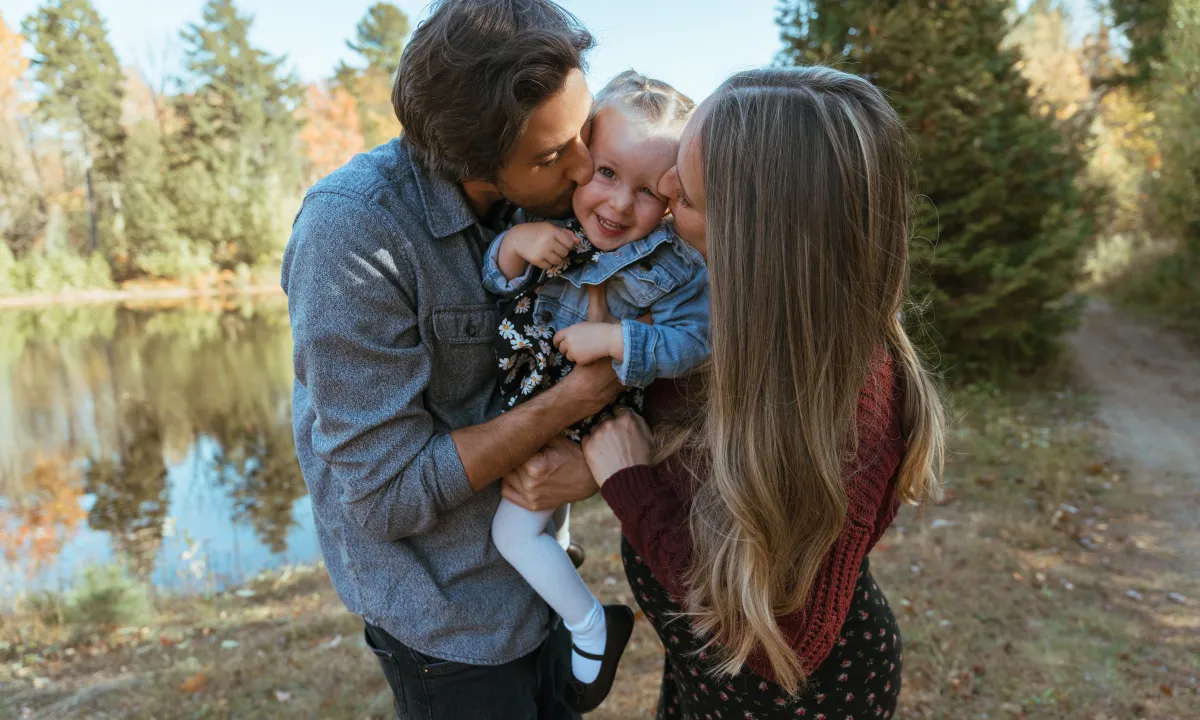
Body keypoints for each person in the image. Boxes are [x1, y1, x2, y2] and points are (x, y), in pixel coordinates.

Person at [552, 66, 947, 718]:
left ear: (754, 237)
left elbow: (790, 636)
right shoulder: (716, 309)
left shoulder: (849, 405)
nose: (665, 189)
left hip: (800, 699)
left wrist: (629, 484)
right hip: (701, 674)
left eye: (688, 193)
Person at [281, 1, 619, 718]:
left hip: (541, 585)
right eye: (552, 156)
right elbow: (385, 494)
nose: (586, 167)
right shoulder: (353, 235)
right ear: (472, 164)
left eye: (582, 130)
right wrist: (575, 400)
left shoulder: (548, 197)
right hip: (452, 629)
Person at [484, 70, 708, 711]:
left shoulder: (677, 265)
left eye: (647, 192)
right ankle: (562, 565)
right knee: (539, 522)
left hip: (588, 414)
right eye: (606, 173)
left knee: (511, 534)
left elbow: (696, 343)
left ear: (672, 199)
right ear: (583, 159)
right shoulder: (546, 220)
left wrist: (616, 340)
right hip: (532, 395)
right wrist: (514, 245)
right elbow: (495, 281)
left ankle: (591, 627)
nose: (618, 205)